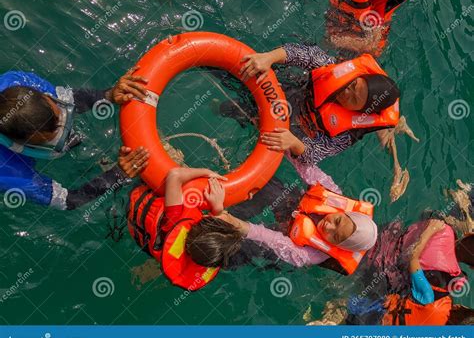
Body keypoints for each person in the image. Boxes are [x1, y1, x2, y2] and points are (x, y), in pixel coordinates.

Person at [128, 165, 378, 291]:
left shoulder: (311, 255)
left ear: (337, 247)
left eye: (335, 236)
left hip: (283, 241)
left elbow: (268, 238)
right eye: (338, 220)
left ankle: (203, 248)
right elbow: (308, 167)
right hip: (296, 210)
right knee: (270, 186)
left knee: (242, 250)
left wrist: (230, 219)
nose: (329, 227)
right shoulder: (335, 197)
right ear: (345, 212)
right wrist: (287, 146)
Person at [220, 43, 400, 188]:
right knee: (229, 75)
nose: (346, 93)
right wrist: (268, 57)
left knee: (227, 108)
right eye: (353, 86)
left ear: (362, 112)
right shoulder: (332, 68)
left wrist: (293, 143)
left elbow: (314, 155)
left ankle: (216, 106)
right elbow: (303, 53)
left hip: (291, 127)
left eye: (354, 99)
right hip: (289, 90)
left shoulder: (346, 135)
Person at [0, 67, 149, 210]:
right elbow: (69, 200)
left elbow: (70, 98)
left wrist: (108, 95)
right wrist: (116, 175)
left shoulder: (19, 83)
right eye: (55, 137)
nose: (67, 129)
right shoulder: (11, 173)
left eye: (62, 114)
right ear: (20, 145)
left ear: (45, 96)